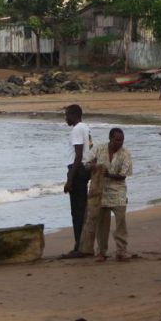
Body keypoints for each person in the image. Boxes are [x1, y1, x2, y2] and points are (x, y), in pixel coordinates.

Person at [87, 128, 133, 262]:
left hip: (118, 191)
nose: (120, 143)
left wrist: (108, 174)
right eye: (117, 140)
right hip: (101, 190)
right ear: (110, 139)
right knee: (102, 224)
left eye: (122, 140)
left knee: (120, 223)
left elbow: (123, 176)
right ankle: (101, 251)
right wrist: (92, 166)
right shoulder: (99, 149)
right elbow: (87, 163)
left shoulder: (126, 154)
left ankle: (121, 251)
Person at [62, 104, 92, 258]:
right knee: (81, 209)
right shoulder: (85, 127)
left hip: (78, 170)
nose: (65, 118)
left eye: (67, 115)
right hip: (84, 170)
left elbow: (78, 155)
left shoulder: (76, 130)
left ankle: (79, 246)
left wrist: (69, 179)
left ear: (74, 115)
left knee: (77, 211)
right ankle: (82, 244)